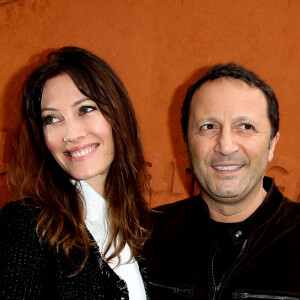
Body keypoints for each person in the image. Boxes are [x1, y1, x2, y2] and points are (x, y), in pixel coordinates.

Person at [0, 46, 152, 299]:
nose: (70, 135)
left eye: (85, 109)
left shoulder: (139, 224)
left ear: (117, 113)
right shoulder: (27, 225)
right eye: (52, 119)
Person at [144, 63, 300, 299]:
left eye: (245, 127)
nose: (225, 146)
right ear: (186, 144)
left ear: (272, 144)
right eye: (208, 127)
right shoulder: (143, 236)